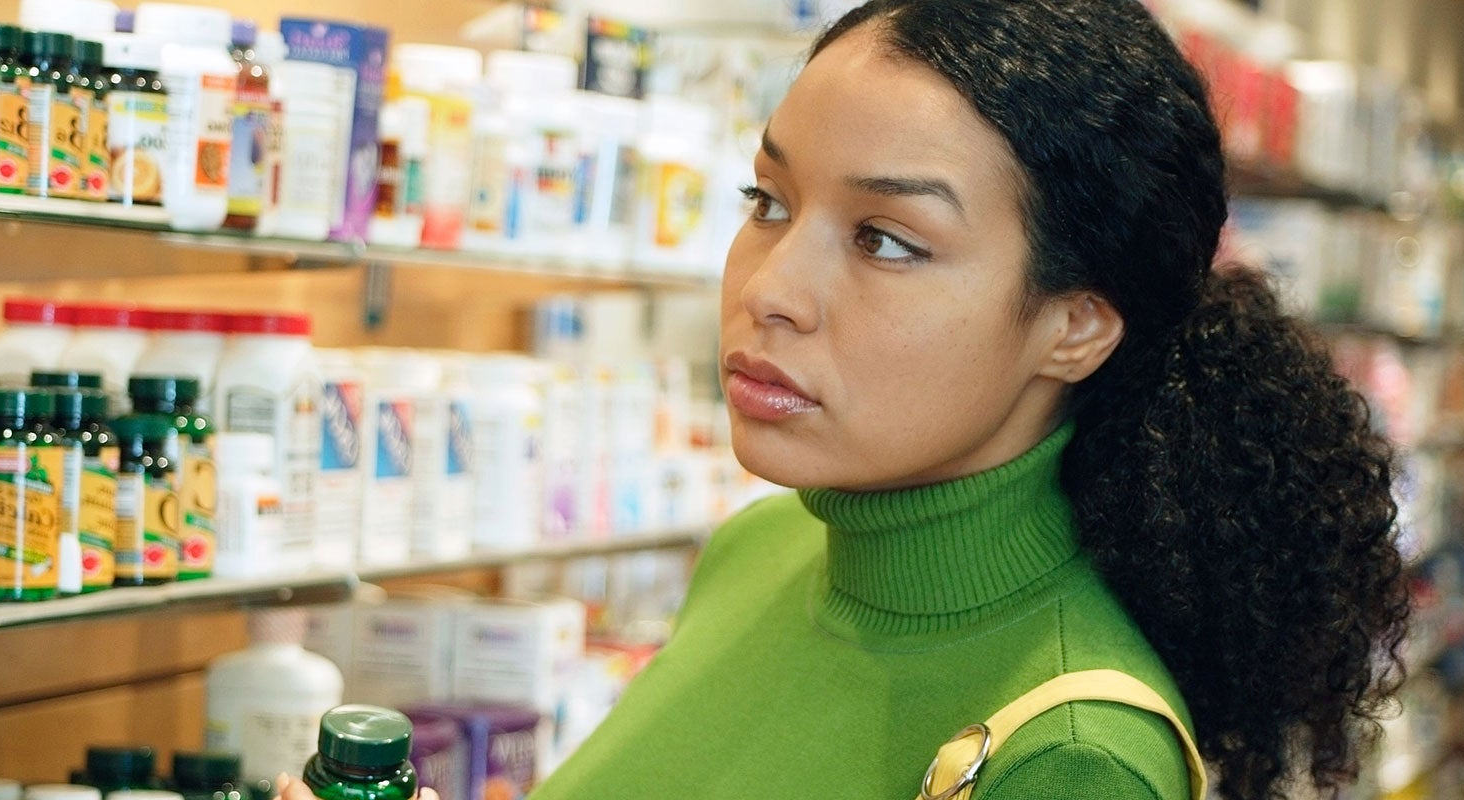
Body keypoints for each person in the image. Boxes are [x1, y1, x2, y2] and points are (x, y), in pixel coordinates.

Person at [530, 1, 1408, 799]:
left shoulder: (1071, 759)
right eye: (769, 200)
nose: (772, 287)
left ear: (1075, 326)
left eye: (885, 241)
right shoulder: (765, 545)